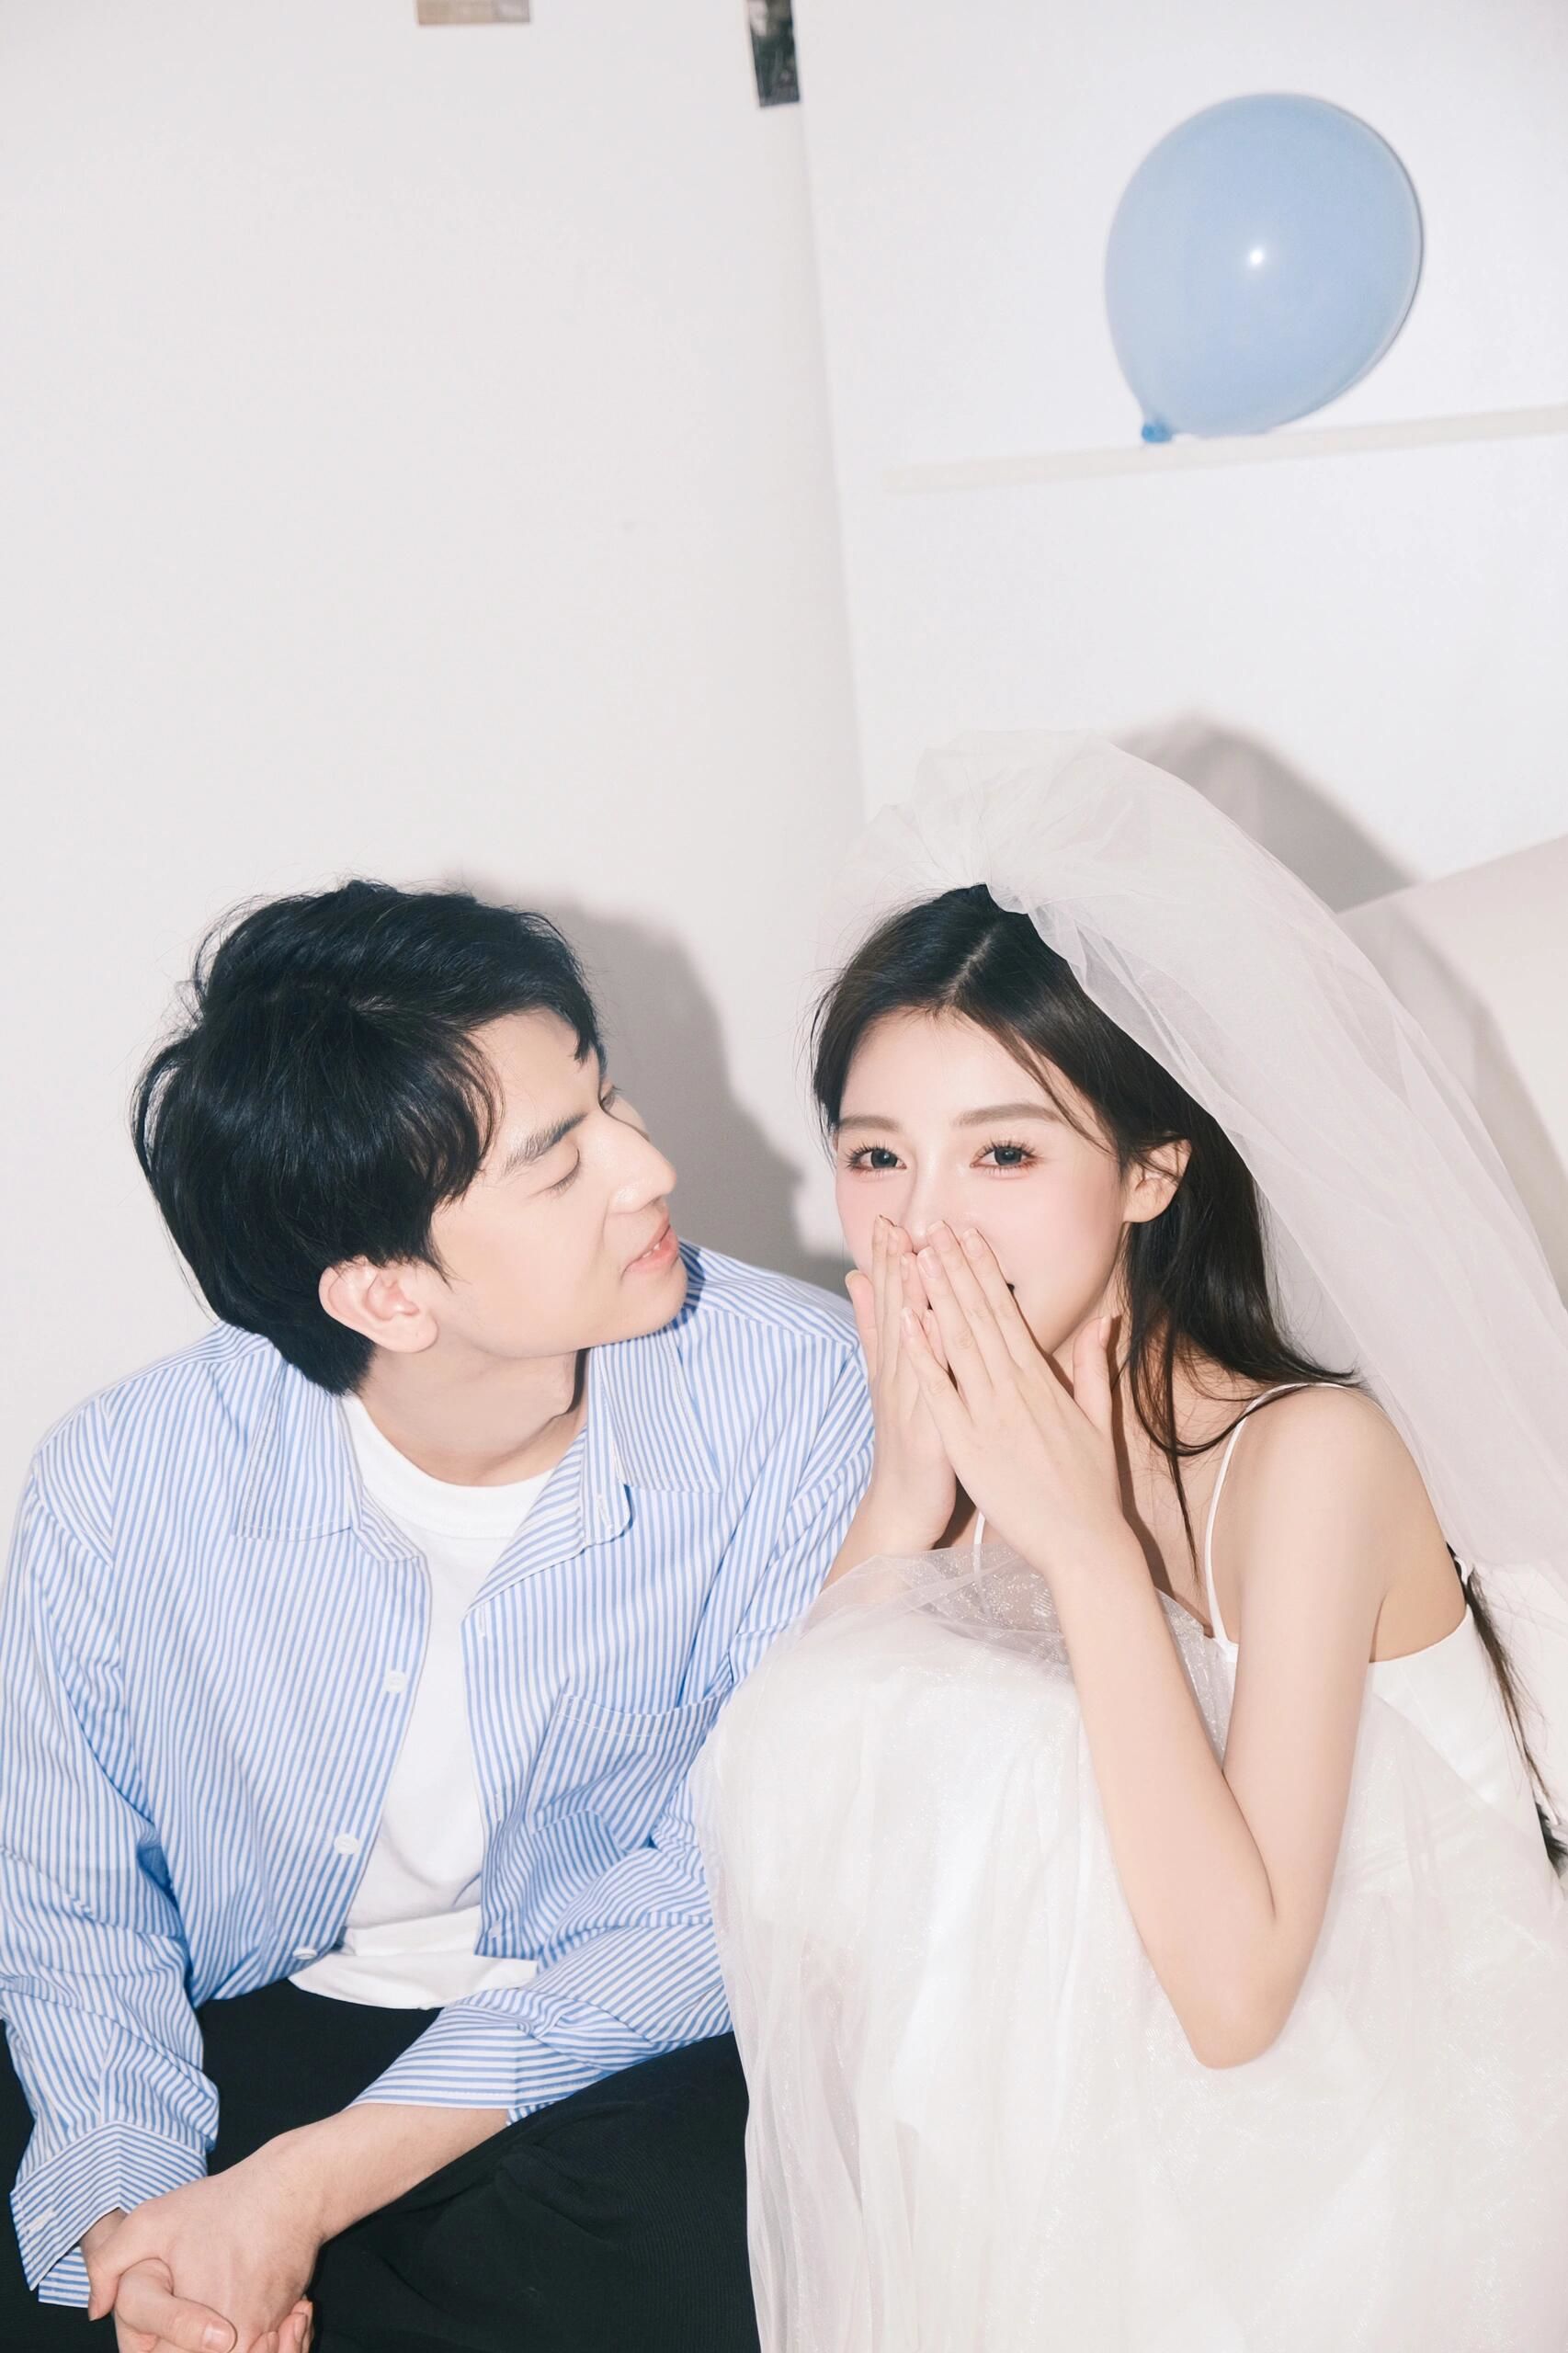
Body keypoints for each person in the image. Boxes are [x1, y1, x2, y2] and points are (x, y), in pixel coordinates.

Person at [695, 733, 1568, 2351]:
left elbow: (1237, 2002)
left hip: (1367, 2158)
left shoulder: (1312, 1458)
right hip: (1079, 2125)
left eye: (1004, 1152)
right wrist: (904, 1496)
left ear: (1153, 1169)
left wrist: (1085, 1551)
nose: (919, 1223)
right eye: (876, 1154)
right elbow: (796, 1888)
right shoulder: (957, 1435)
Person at [0, 881, 871, 2353]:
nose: (648, 1168)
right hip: (251, 2015)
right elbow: (76, 1912)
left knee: (718, 2248)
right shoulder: (123, 1482)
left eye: (606, 1100)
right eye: (560, 1162)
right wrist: (142, 2242)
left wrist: (304, 2189)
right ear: (387, 1297)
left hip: (598, 2034)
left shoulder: (797, 1393)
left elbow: (723, 1890)